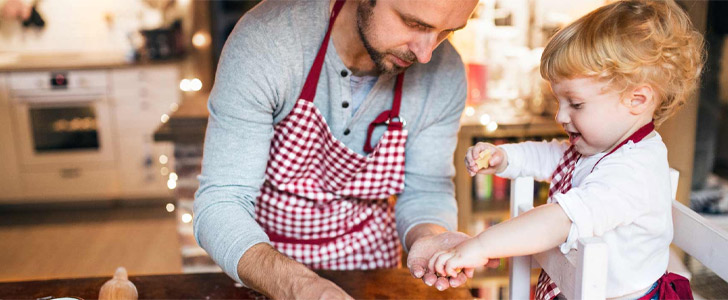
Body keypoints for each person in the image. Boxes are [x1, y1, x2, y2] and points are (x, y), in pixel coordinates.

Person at [194, 0, 484, 298]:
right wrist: (301, 287)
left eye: (447, 31)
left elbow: (426, 190)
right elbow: (221, 202)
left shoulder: (443, 72)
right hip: (268, 271)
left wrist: (429, 237)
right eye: (415, 24)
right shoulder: (268, 43)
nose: (426, 53)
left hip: (372, 270)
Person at [428, 1, 704, 299]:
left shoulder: (635, 171)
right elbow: (554, 157)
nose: (560, 116)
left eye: (576, 104)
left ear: (636, 100)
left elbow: (560, 221)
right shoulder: (604, 145)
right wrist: (506, 157)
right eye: (560, 102)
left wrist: (481, 245)